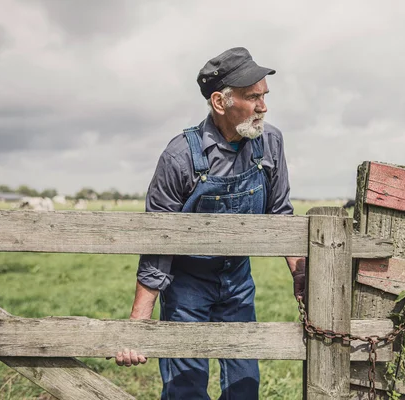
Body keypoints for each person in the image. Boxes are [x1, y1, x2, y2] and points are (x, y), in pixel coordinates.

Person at [113, 47, 306, 400]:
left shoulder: (270, 143)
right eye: (252, 97)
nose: (263, 106)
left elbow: (281, 215)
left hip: (238, 283)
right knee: (185, 388)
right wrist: (137, 326)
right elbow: (159, 242)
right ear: (219, 102)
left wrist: (300, 275)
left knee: (244, 387)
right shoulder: (180, 156)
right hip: (187, 288)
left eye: (264, 96)